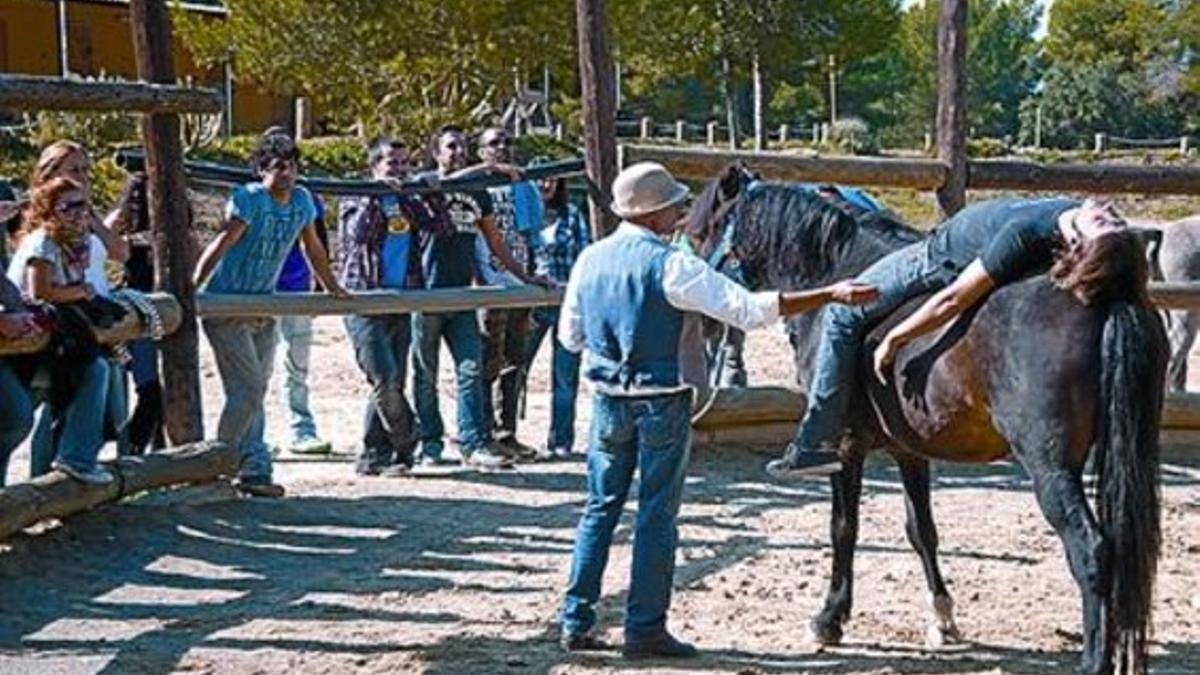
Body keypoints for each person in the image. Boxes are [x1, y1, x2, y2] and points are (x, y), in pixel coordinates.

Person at [557, 162, 878, 658]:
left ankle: (575, 619)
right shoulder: (671, 265)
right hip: (661, 399)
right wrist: (829, 293)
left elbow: (570, 337)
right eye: (676, 206)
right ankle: (644, 629)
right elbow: (748, 310)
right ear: (656, 212)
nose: (684, 214)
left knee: (599, 509)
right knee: (657, 516)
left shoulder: (589, 260)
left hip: (605, 401)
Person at [766, 196, 1130, 478]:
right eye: (1114, 219)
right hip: (952, 241)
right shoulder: (1069, 215)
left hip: (935, 256)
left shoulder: (1023, 234)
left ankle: (816, 440)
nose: (1109, 213)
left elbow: (952, 298)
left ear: (1077, 241)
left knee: (841, 313)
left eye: (1102, 223)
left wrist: (896, 338)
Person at [193, 133, 348, 498]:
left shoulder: (303, 200)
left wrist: (332, 288)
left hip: (265, 304)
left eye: (292, 166)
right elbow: (223, 241)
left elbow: (313, 247)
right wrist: (193, 285)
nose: (287, 174)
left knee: (254, 391)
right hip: (228, 304)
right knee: (247, 390)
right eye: (278, 167)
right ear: (262, 170)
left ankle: (253, 466)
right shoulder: (250, 199)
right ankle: (216, 464)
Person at [409, 125, 545, 470]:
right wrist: (492, 169)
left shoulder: (477, 193)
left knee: (471, 369)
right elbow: (439, 185)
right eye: (450, 146)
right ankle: (430, 443)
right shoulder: (425, 184)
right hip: (426, 294)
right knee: (426, 373)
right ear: (437, 153)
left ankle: (472, 442)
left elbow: (496, 242)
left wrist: (526, 276)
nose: (457, 152)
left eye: (462, 147)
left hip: (463, 295)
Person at [6, 177, 115, 485]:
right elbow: (39, 291)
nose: (81, 213)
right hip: (38, 339)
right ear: (50, 210)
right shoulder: (44, 243)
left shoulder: (74, 243)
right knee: (93, 371)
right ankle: (75, 458)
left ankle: (71, 463)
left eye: (85, 205)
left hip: (57, 337)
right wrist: (80, 292)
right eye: (71, 206)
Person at [338, 137, 436, 476]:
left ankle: (374, 456)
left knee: (391, 381)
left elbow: (439, 227)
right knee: (384, 376)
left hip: (402, 297)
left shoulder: (408, 200)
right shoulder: (356, 196)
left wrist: (430, 192)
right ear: (375, 166)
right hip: (364, 298)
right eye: (392, 163)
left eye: (404, 163)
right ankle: (411, 437)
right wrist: (377, 193)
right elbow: (358, 235)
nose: (400, 170)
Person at [474, 127, 543, 459]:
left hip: (518, 281)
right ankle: (482, 430)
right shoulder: (474, 184)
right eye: (493, 143)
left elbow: (532, 233)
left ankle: (507, 430)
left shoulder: (523, 185)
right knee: (488, 359)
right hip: (488, 281)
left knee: (515, 361)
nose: (502, 148)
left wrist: (532, 274)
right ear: (481, 151)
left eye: (507, 141)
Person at [520, 170, 588, 458]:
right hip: (529, 304)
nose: (545, 184)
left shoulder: (572, 215)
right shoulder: (524, 216)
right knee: (515, 368)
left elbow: (584, 255)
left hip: (565, 303)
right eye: (541, 179)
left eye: (551, 179)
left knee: (564, 376)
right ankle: (505, 433)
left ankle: (561, 440)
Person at [106, 172, 166, 454]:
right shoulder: (129, 237)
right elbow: (108, 247)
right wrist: (118, 218)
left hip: (161, 312)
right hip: (138, 314)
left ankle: (144, 449)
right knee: (146, 392)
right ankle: (131, 451)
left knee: (157, 393)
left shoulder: (172, 233)